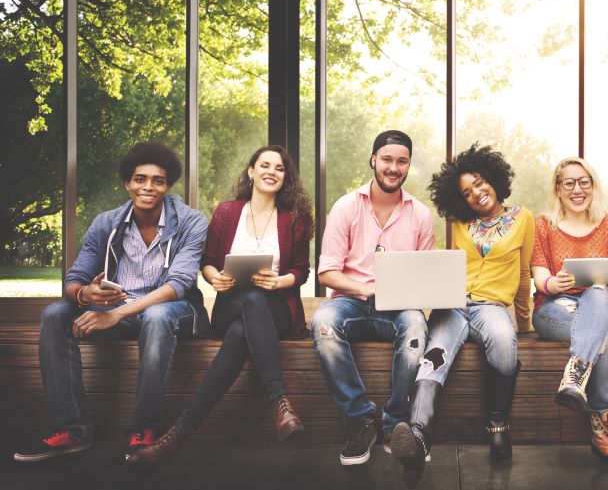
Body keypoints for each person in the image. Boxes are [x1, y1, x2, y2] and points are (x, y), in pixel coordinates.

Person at [13, 142, 210, 464]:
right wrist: (83, 295)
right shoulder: (107, 222)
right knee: (55, 314)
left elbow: (178, 284)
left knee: (157, 315)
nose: (148, 187)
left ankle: (144, 429)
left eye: (157, 180)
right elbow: (74, 277)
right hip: (119, 309)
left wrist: (115, 314)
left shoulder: (191, 221)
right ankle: (73, 429)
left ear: (168, 185)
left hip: (176, 311)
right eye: (140, 179)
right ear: (127, 183)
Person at [125, 145, 314, 467]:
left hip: (277, 308)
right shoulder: (227, 212)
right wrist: (215, 279)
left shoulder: (293, 218)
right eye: (264, 165)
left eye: (279, 168)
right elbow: (208, 261)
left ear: (286, 177)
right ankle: (279, 400)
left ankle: (178, 433)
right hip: (229, 304)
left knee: (246, 323)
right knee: (247, 305)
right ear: (251, 171)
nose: (271, 172)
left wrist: (278, 281)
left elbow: (300, 270)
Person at [391, 144, 534, 480]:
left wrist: (525, 321)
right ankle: (417, 436)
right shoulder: (456, 221)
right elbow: (448, 265)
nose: (477, 194)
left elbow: (525, 273)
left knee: (503, 339)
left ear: (494, 179)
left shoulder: (522, 218)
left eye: (480, 183)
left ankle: (498, 423)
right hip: (453, 304)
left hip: (491, 306)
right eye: (467, 193)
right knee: (433, 355)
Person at [312, 130, 434, 466]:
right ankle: (360, 420)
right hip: (350, 302)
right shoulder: (346, 207)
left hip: (396, 308)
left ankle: (395, 422)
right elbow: (327, 273)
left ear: (408, 165)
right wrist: (366, 289)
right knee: (323, 322)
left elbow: (426, 275)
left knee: (414, 325)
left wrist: (414, 291)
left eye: (402, 161)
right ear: (373, 161)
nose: (394, 167)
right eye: (387, 160)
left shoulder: (421, 215)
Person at [530, 157, 608, 464]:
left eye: (584, 182)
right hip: (556, 309)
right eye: (569, 183)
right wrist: (554, 283)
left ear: (592, 186)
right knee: (604, 339)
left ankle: (575, 375)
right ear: (558, 189)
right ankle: (604, 430)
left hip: (607, 306)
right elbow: (541, 279)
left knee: (599, 292)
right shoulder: (544, 226)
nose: (577, 189)